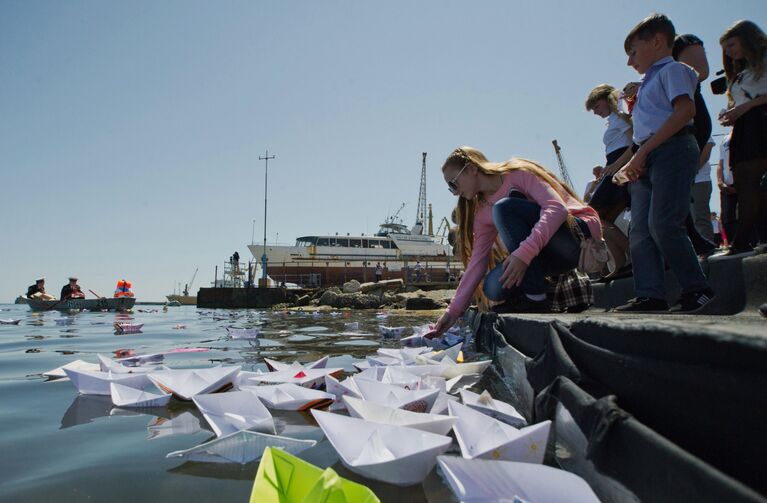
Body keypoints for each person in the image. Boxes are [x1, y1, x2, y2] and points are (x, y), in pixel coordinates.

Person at [425, 147, 602, 338]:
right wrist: (451, 313)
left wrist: (523, 254)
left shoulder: (518, 174)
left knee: (504, 209)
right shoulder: (482, 212)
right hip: (546, 255)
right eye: (451, 187)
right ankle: (536, 297)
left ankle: (535, 298)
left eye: (454, 183)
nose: (454, 192)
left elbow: (557, 209)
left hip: (576, 237)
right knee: (492, 286)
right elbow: (477, 263)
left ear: (471, 169)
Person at [613, 13, 715, 312]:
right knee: (641, 229)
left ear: (657, 42)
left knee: (664, 223)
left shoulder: (674, 70)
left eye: (633, 52)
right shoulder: (646, 83)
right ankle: (651, 294)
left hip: (671, 149)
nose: (630, 61)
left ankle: (698, 288)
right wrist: (637, 157)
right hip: (648, 154)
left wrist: (642, 153)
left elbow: (684, 112)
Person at [719, 20, 767, 254]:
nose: (728, 51)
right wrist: (732, 112)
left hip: (760, 122)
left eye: (732, 44)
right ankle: (754, 237)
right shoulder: (740, 73)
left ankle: (743, 239)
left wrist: (744, 108)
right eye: (725, 48)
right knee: (746, 183)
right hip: (744, 126)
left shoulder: (764, 61)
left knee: (751, 182)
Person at [585, 84, 634, 275]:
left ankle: (630, 253)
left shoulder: (621, 119)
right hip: (613, 165)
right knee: (604, 218)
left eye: (596, 106)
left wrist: (617, 166)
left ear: (606, 101)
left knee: (595, 215)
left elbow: (633, 145)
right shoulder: (612, 122)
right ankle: (622, 262)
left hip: (620, 166)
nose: (596, 112)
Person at [690, 137, 717, 243]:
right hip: (683, 182)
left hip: (699, 181)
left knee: (700, 217)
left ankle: (707, 247)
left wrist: (689, 171)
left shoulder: (703, 132)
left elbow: (705, 155)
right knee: (689, 219)